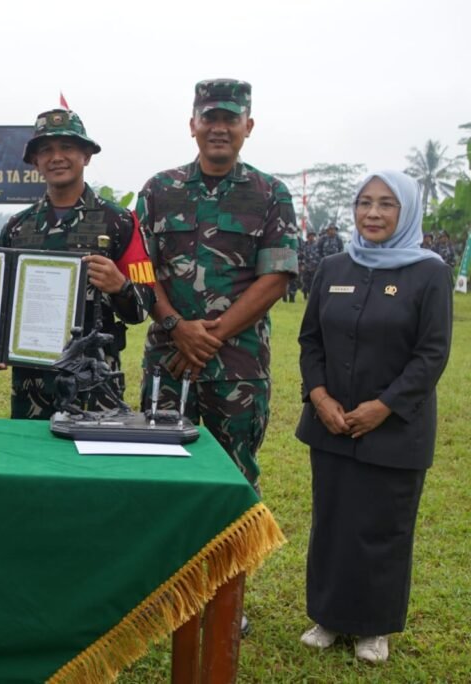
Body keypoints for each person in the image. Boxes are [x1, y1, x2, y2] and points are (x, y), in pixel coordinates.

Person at [296, 170, 452, 663]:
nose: (373, 213)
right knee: (332, 522)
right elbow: (310, 340)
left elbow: (432, 353)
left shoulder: (429, 273)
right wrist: (319, 396)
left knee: (383, 526)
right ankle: (327, 616)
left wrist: (383, 407)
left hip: (396, 428)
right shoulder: (333, 267)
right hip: (332, 423)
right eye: (365, 202)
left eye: (387, 204)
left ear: (406, 212)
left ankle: (374, 627)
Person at [136, 78, 299, 494]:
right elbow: (139, 269)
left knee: (234, 483)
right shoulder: (159, 190)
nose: (220, 128)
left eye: (231, 119)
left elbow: (276, 277)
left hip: (238, 369)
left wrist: (208, 338)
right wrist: (176, 327)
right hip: (168, 364)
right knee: (161, 479)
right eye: (210, 118)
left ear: (249, 126)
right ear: (193, 125)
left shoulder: (271, 194)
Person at [0, 109, 154, 419]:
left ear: (86, 155)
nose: (57, 157)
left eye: (67, 147)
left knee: (93, 452)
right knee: (31, 451)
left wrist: (120, 286)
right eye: (46, 150)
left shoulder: (120, 221)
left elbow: (144, 306)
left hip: (95, 384)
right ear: (35, 161)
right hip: (31, 386)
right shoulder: (17, 228)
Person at [298, 231, 319, 300]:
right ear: (307, 237)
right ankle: (305, 295)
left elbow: (319, 256)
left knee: (313, 282)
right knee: (305, 281)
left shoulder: (317, 245)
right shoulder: (304, 245)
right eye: (310, 236)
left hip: (314, 266)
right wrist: (301, 265)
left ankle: (311, 295)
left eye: (313, 236)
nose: (311, 237)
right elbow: (300, 256)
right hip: (305, 267)